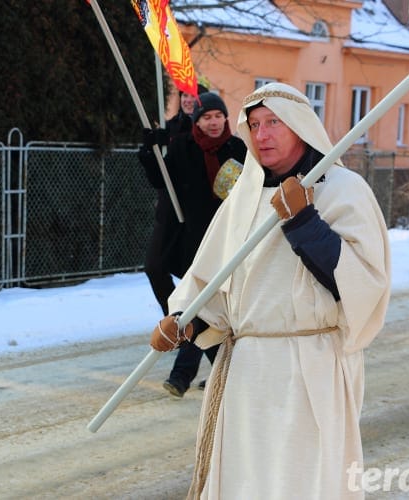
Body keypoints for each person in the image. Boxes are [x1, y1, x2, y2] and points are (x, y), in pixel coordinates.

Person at [149, 82, 390, 499]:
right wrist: (186, 321)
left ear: (299, 126)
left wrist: (304, 222)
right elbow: (217, 282)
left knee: (301, 481)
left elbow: (362, 286)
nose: (261, 135)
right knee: (246, 482)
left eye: (273, 123)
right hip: (247, 371)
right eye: (255, 124)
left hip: (309, 366)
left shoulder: (343, 189)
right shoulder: (242, 196)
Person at [138, 91, 246, 398]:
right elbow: (162, 180)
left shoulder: (238, 148)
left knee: (206, 305)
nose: (213, 123)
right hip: (188, 236)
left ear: (226, 118)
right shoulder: (184, 146)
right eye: (206, 117)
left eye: (217, 116)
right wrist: (150, 151)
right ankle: (184, 333)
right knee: (190, 299)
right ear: (196, 121)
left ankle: (191, 369)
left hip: (222, 239)